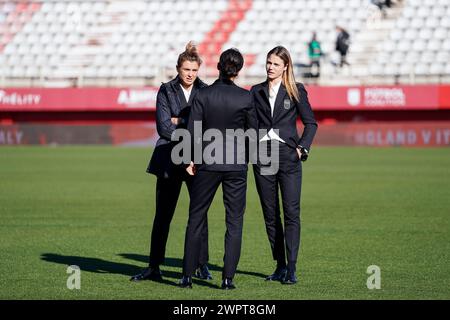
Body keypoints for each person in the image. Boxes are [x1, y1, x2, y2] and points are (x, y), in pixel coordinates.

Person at [130, 42, 212, 282]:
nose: (190, 74)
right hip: (168, 160)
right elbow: (164, 127)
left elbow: (206, 128)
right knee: (163, 216)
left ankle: (201, 265)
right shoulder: (165, 90)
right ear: (178, 68)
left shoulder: (205, 91)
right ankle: (154, 266)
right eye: (186, 69)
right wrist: (187, 126)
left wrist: (180, 121)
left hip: (196, 161)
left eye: (194, 70)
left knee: (200, 216)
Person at [178, 48, 257, 289]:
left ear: (219, 67)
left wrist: (189, 160)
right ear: (239, 70)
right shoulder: (246, 98)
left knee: (196, 218)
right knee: (234, 222)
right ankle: (227, 279)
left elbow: (193, 132)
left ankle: (187, 277)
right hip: (236, 166)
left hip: (207, 164)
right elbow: (252, 134)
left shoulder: (203, 95)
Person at [251, 46, 317, 284]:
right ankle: (279, 264)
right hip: (263, 156)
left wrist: (302, 148)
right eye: (268, 62)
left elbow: (311, 124)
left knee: (291, 213)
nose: (270, 67)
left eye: (276, 64)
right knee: (270, 214)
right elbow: (250, 123)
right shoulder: (255, 90)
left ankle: (292, 268)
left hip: (288, 156)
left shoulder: (296, 90)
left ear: (285, 66)